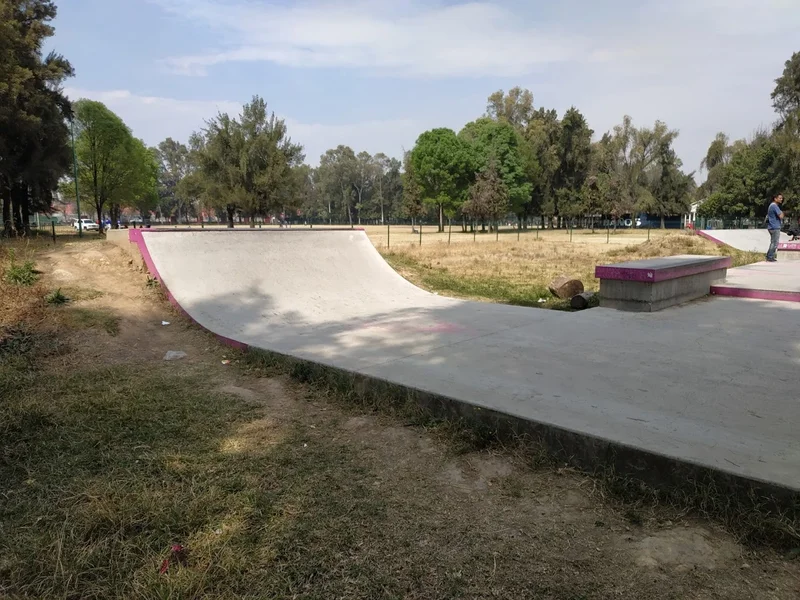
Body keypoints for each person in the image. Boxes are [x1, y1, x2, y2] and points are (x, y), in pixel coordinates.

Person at [766, 193, 784, 262]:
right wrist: (782, 213)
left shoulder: (771, 205)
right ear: (775, 199)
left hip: (771, 226)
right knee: (774, 243)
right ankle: (770, 257)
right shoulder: (774, 206)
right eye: (780, 198)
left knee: (773, 242)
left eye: (781, 198)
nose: (781, 199)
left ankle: (769, 256)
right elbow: (781, 216)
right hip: (775, 227)